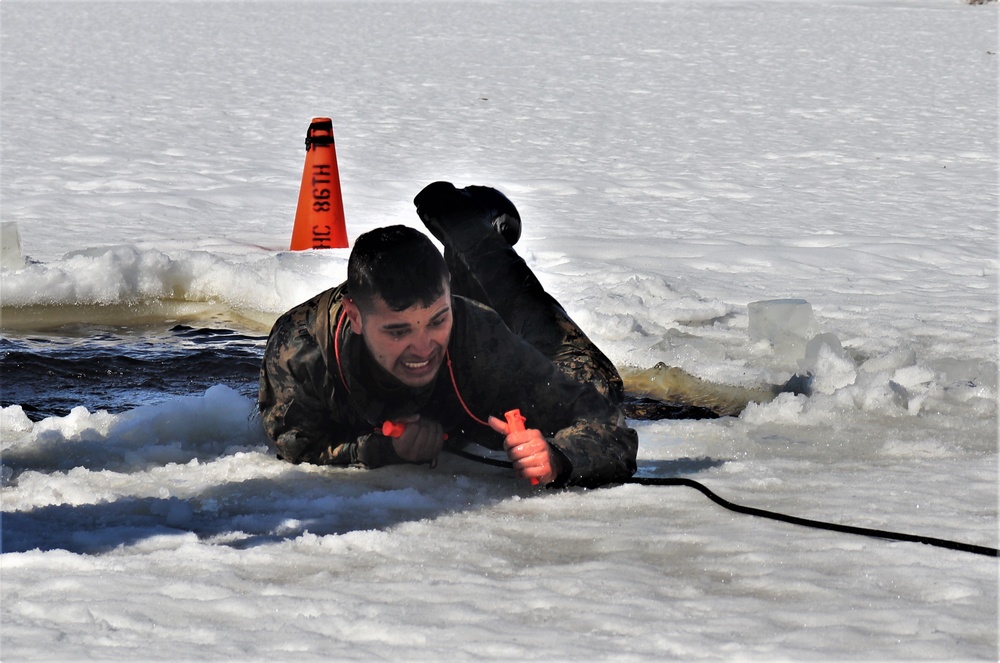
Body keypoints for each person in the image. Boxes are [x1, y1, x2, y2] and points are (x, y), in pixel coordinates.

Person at [257, 181, 638, 488]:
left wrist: (559, 457)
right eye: (398, 330)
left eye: (437, 320)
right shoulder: (301, 351)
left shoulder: (475, 334)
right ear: (355, 317)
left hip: (471, 341)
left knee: (589, 373)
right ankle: (466, 248)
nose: (423, 348)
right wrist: (386, 448)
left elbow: (604, 422)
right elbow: (298, 444)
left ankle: (477, 237)